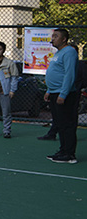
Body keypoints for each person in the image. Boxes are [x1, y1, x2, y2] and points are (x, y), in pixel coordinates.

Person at [44, 28, 80, 163]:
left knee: (67, 124)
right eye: (52, 36)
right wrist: (49, 90)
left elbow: (69, 74)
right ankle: (63, 150)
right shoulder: (58, 53)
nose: (52, 39)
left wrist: (63, 94)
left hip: (64, 94)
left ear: (64, 39)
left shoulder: (69, 52)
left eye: (56, 36)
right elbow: (55, 72)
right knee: (59, 123)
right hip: (55, 92)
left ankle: (69, 154)